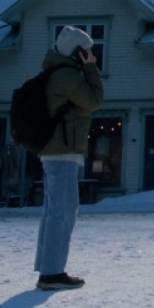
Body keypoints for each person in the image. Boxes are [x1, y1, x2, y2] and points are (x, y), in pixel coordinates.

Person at [34, 26, 105, 291]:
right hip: (62, 151)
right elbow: (94, 100)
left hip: (56, 150)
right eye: (87, 51)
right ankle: (52, 273)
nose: (92, 55)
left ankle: (47, 268)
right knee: (63, 212)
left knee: (54, 211)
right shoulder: (66, 75)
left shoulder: (56, 71)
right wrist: (91, 69)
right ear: (77, 52)